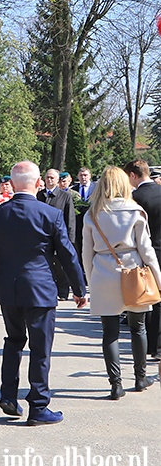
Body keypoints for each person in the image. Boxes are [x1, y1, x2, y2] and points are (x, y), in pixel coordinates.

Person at [0, 161, 87, 426]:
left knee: (13, 341)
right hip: (40, 289)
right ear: (38, 183)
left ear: (13, 184)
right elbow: (67, 254)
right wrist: (79, 288)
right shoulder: (49, 214)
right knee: (40, 348)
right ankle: (38, 406)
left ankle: (8, 396)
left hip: (8, 290)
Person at [82, 166, 161, 399]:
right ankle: (139, 376)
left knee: (110, 333)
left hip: (104, 270)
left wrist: (90, 280)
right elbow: (147, 251)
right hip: (134, 271)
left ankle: (115, 384)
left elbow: (87, 253)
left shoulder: (92, 213)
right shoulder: (135, 212)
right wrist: (157, 277)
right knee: (138, 327)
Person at [123, 159, 161, 358]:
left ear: (132, 175)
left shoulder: (134, 198)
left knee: (147, 299)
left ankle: (150, 345)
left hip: (146, 252)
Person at [37, 168, 77, 301]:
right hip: (43, 237)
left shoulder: (65, 196)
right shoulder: (39, 195)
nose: (49, 180)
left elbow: (70, 218)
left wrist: (70, 239)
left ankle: (63, 291)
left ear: (58, 180)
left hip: (60, 236)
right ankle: (48, 291)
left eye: (52, 178)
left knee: (60, 266)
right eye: (47, 177)